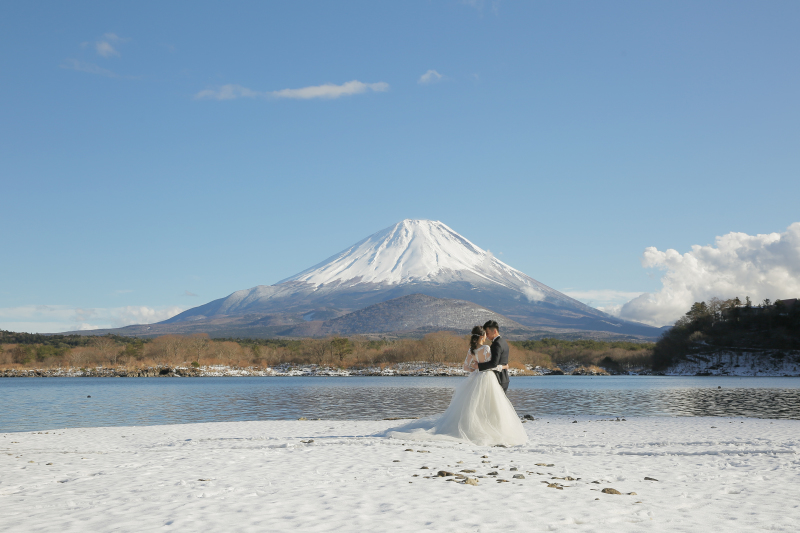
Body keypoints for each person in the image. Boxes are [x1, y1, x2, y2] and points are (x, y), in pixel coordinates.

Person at [379, 325, 527, 446]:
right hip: (487, 378)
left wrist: (476, 368)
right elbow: (490, 365)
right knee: (488, 404)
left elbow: (466, 368)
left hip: (474, 378)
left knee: (472, 405)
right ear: (482, 336)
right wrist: (503, 366)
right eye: (485, 335)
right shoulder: (486, 349)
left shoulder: (471, 350)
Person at [477, 320, 510, 393]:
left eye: (487, 333)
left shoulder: (496, 344)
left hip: (498, 379)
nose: (487, 335)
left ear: (494, 331)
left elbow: (494, 363)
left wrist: (478, 366)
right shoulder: (503, 342)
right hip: (504, 378)